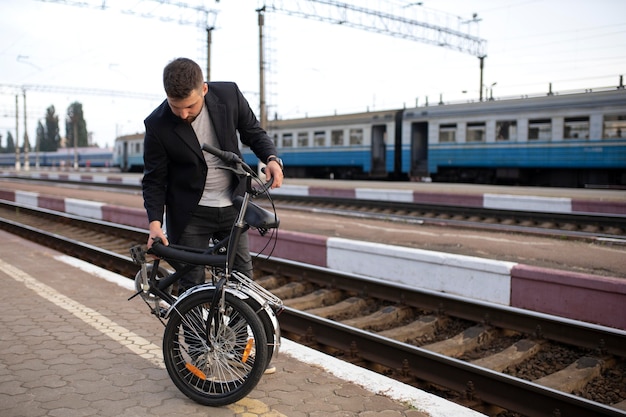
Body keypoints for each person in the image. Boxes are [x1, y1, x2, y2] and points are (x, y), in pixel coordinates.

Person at [142, 57, 284, 372]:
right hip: (190, 214)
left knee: (241, 281)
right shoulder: (157, 124)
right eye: (175, 106)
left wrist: (271, 158)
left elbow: (253, 132)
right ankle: (200, 357)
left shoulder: (228, 96)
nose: (182, 114)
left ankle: (240, 353)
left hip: (233, 208)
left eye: (190, 106)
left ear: (204, 89)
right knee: (192, 287)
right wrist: (155, 223)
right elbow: (154, 180)